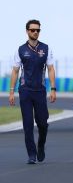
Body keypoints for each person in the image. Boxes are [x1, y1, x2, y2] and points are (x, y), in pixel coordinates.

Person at [9, 19, 56, 164]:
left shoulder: (46, 48)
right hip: (25, 91)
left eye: (38, 30)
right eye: (32, 30)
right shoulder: (21, 49)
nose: (35, 32)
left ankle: (40, 144)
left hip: (40, 91)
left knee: (42, 123)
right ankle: (31, 154)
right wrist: (11, 91)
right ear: (27, 31)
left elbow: (50, 69)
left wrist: (53, 89)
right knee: (28, 124)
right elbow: (15, 71)